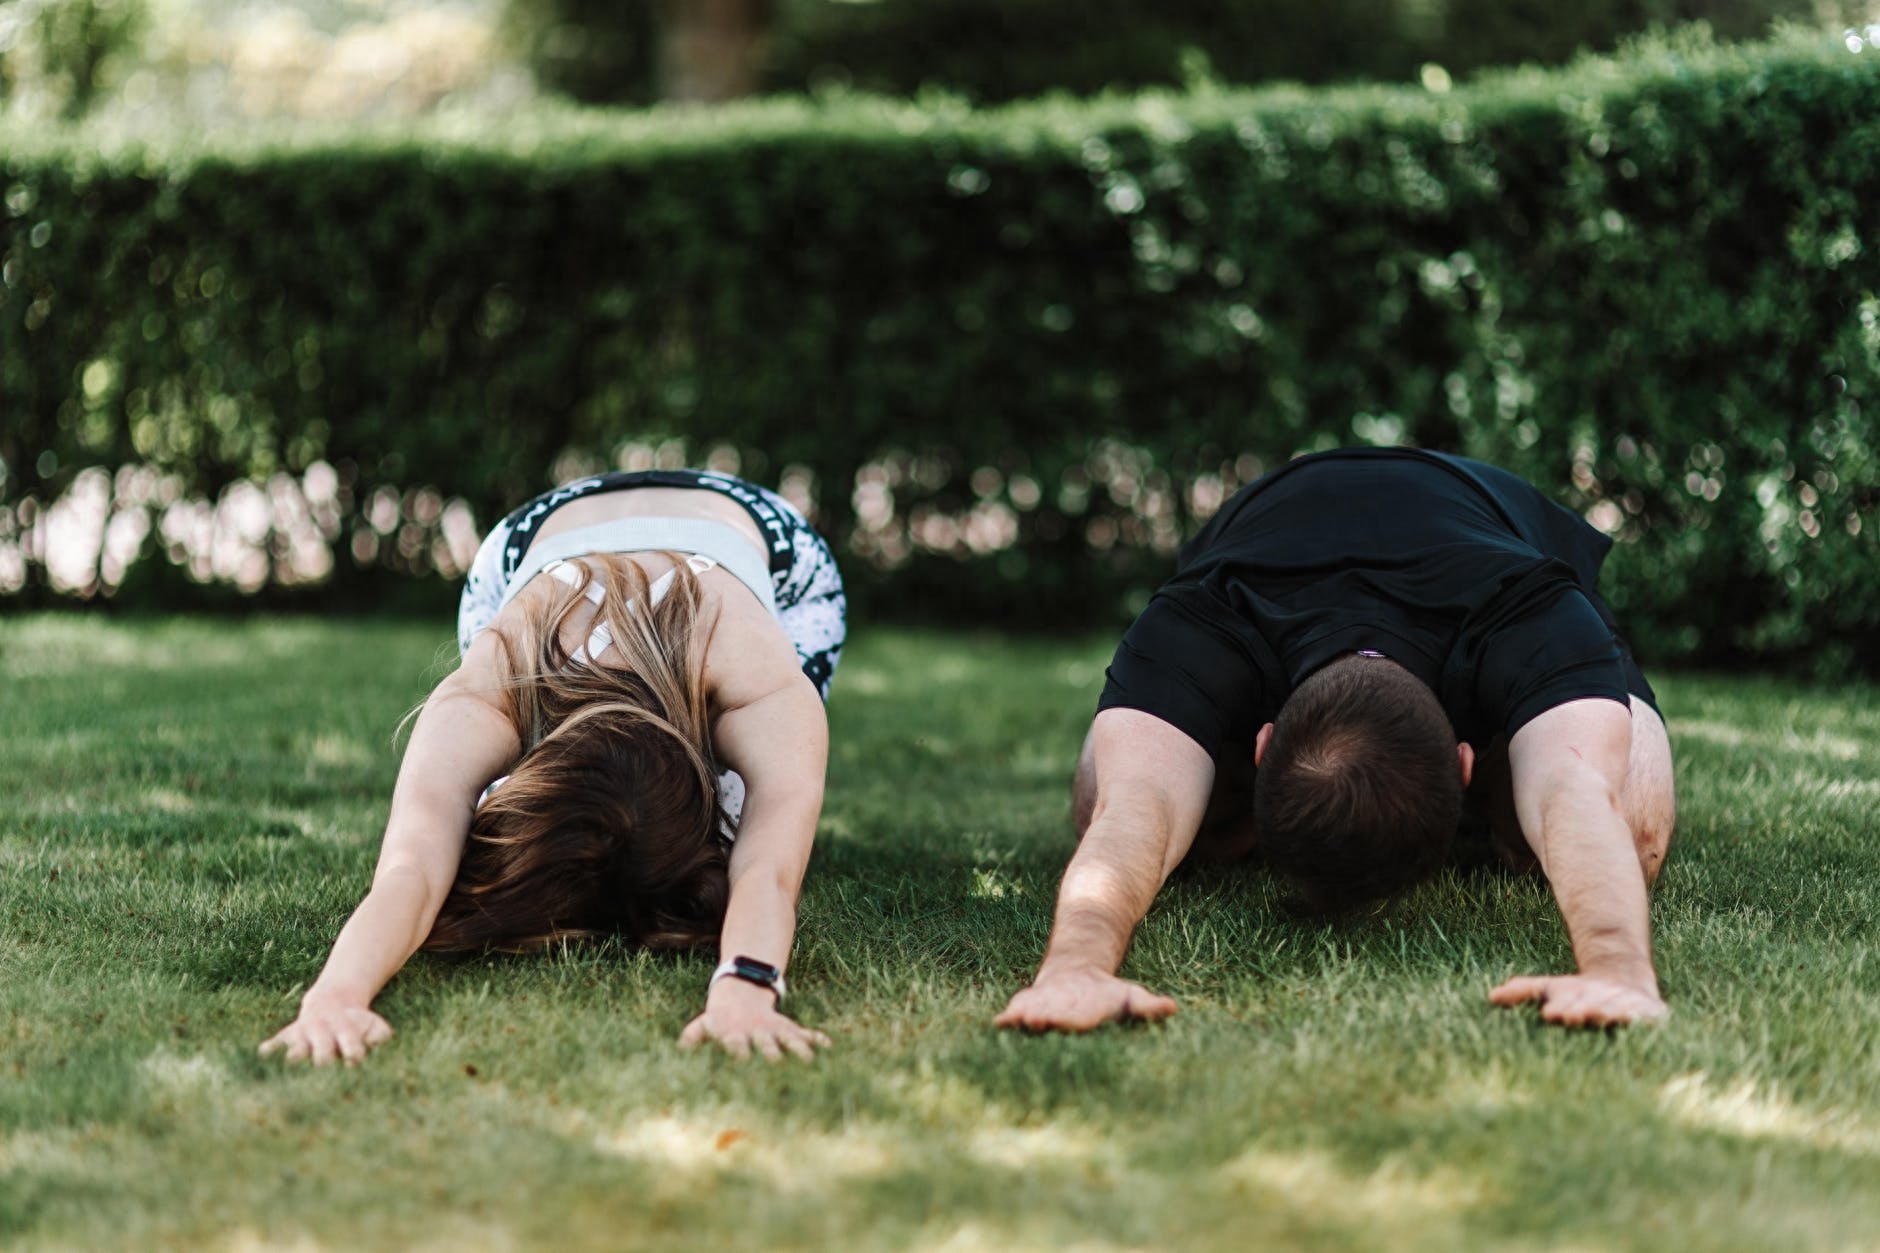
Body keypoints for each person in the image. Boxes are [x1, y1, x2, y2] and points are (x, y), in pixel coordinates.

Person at [996, 447, 1675, 1034]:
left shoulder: (1530, 609)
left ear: (1263, 744)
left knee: (1633, 819)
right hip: (1269, 527)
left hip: (1491, 525)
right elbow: (1132, 802)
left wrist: (1620, 969)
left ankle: (1496, 785)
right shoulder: (1208, 613)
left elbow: (1577, 791)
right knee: (1101, 793)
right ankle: (1439, 799)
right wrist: (1073, 969)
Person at [261, 468, 846, 1064]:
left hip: (762, 547)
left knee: (752, 804)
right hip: (534, 540)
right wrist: (335, 996)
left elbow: (768, 871)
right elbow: (411, 867)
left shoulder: (759, 678)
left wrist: (746, 991)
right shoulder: (494, 685)